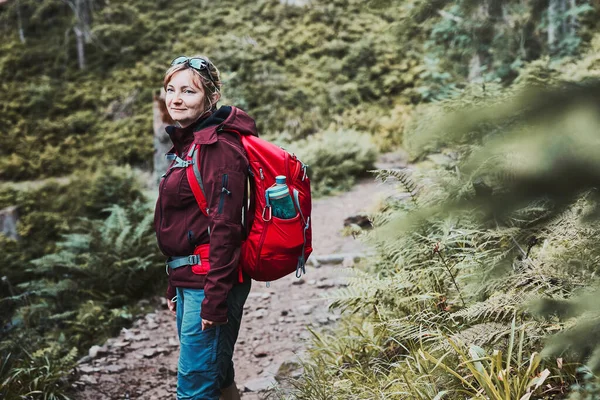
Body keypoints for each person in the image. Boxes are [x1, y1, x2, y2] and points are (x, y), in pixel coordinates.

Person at [154, 55, 256, 400]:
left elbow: (225, 228)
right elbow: (184, 224)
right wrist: (174, 283)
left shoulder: (218, 148)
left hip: (211, 282)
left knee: (194, 388)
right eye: (170, 89)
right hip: (191, 279)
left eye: (188, 91)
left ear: (211, 98)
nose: (176, 99)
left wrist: (214, 301)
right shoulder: (189, 144)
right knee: (218, 370)